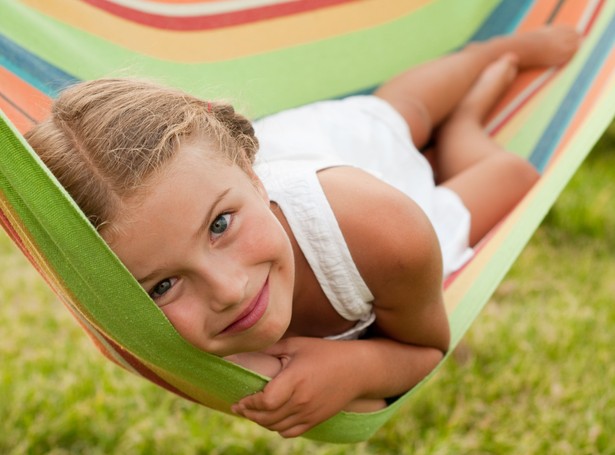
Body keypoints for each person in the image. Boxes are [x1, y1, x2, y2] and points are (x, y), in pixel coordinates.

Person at [25, 25, 580, 438]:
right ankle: (444, 135)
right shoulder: (141, 333)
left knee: (409, 119)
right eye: (162, 286)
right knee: (401, 118)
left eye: (221, 225)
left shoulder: (383, 229)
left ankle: (477, 80)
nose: (229, 290)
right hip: (266, 182)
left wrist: (360, 365)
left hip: (351, 177)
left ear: (248, 167)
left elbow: (428, 346)